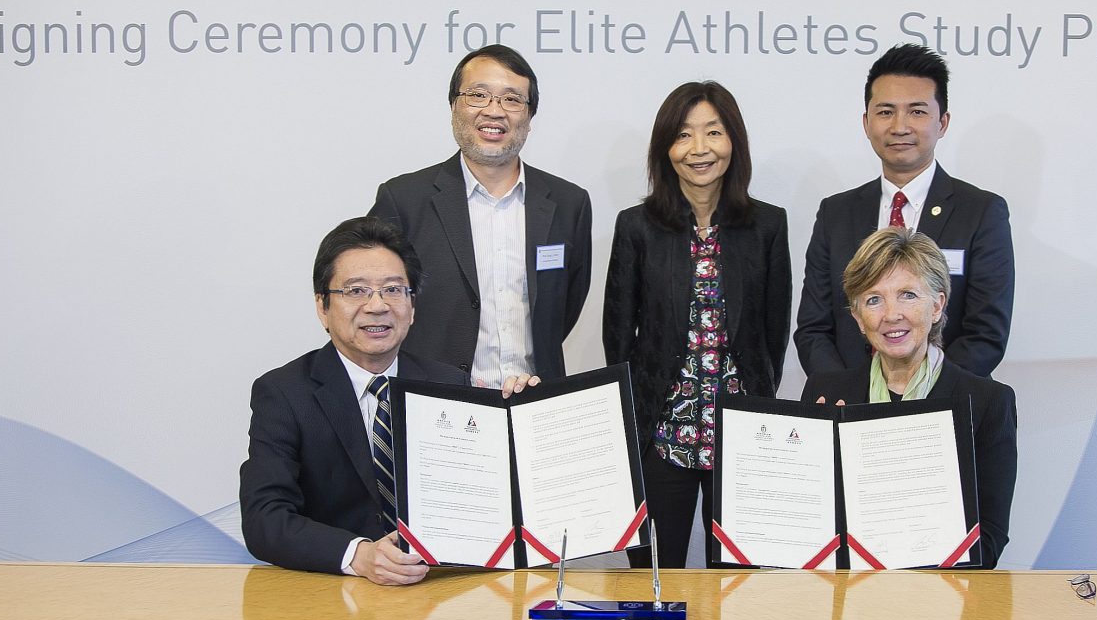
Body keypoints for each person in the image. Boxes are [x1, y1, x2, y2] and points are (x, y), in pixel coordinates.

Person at [604, 82, 790, 568]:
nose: (699, 148)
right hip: (663, 433)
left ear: (734, 141)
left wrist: (759, 404)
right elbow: (617, 337)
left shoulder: (768, 225)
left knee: (737, 582)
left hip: (741, 433)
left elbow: (773, 332)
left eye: (713, 132)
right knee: (654, 575)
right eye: (683, 135)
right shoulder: (636, 226)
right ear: (665, 148)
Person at [238, 217, 465, 585]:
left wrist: (522, 412)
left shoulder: (449, 385)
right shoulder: (284, 393)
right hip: (334, 595)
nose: (377, 305)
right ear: (323, 307)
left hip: (440, 591)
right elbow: (264, 519)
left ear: (412, 306)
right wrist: (358, 555)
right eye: (356, 291)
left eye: (393, 290)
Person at [371, 44, 593, 386]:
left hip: (535, 398)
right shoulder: (404, 200)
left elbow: (565, 308)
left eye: (512, 99)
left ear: (529, 118)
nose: (494, 111)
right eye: (478, 95)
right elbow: (381, 300)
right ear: (453, 106)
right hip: (438, 401)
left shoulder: (569, 204)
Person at [793, 42, 1013, 377]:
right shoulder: (835, 213)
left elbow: (985, 334)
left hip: (943, 401)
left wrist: (918, 394)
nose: (900, 126)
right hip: (849, 402)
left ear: (942, 123)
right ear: (866, 122)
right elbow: (814, 329)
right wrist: (845, 391)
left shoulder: (981, 213)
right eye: (885, 112)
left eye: (917, 112)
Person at [802, 228, 1016, 568]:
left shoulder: (988, 401)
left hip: (940, 591)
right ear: (858, 318)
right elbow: (808, 526)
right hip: (848, 590)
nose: (891, 315)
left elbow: (988, 542)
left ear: (937, 305)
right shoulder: (825, 394)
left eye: (908, 295)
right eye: (874, 299)